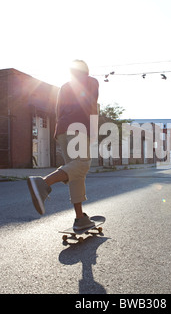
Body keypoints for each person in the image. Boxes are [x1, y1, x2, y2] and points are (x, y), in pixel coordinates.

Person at [27, 60, 99, 230]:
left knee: (76, 173)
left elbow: (58, 112)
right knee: (82, 164)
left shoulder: (64, 87)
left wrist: (59, 134)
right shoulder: (91, 81)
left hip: (63, 130)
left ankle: (80, 218)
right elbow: (92, 106)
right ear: (86, 71)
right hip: (78, 128)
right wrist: (94, 129)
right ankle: (43, 183)